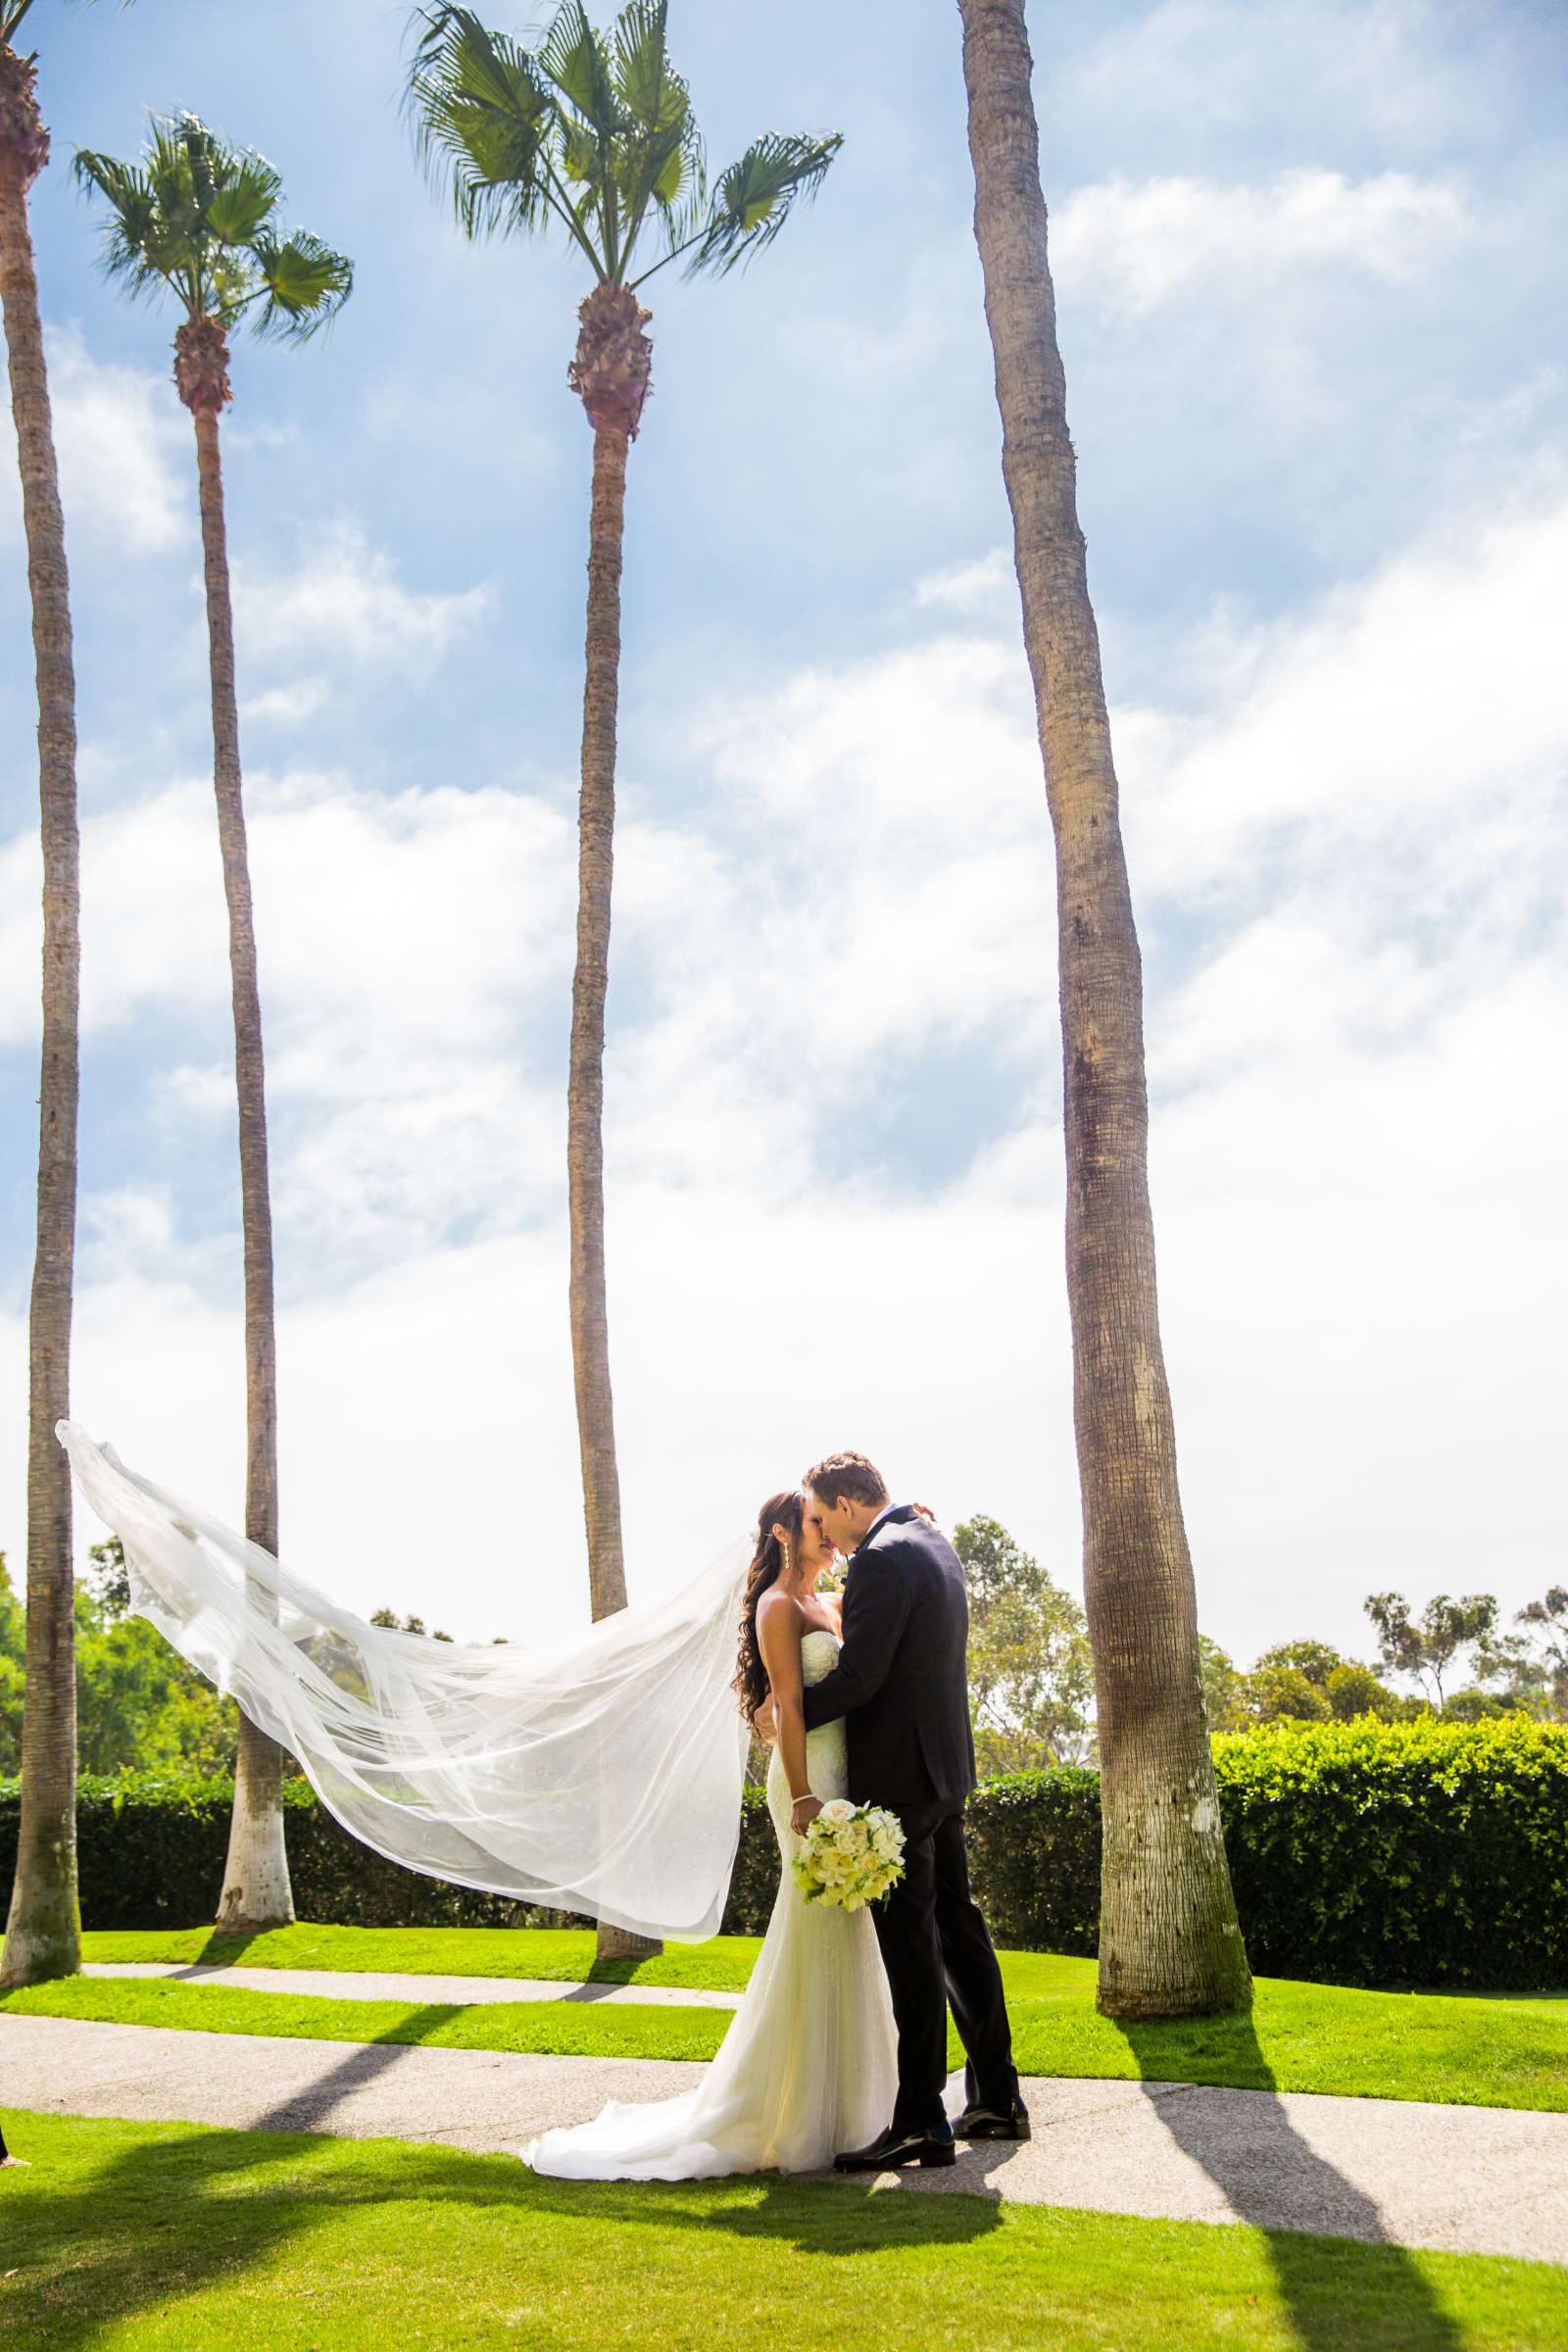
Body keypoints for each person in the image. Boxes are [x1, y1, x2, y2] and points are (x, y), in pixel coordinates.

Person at [524, 1488, 898, 2178]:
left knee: (853, 1929)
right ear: (786, 1533)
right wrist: (808, 1795)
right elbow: (784, 1704)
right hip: (807, 1784)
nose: (827, 1532)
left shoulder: (838, 1601)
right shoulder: (777, 1606)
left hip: (848, 1777)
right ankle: (800, 2111)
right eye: (816, 1522)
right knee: (816, 1927)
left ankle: (866, 2104)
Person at [797, 1450, 1027, 2171]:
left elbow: (862, 1677)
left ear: (841, 1504)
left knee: (913, 1950)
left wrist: (790, 1710)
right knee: (959, 1930)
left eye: (823, 1517)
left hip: (900, 1783)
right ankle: (997, 2097)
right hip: (946, 1773)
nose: (827, 1537)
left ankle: (922, 2121)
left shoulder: (881, 1558)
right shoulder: (932, 1541)